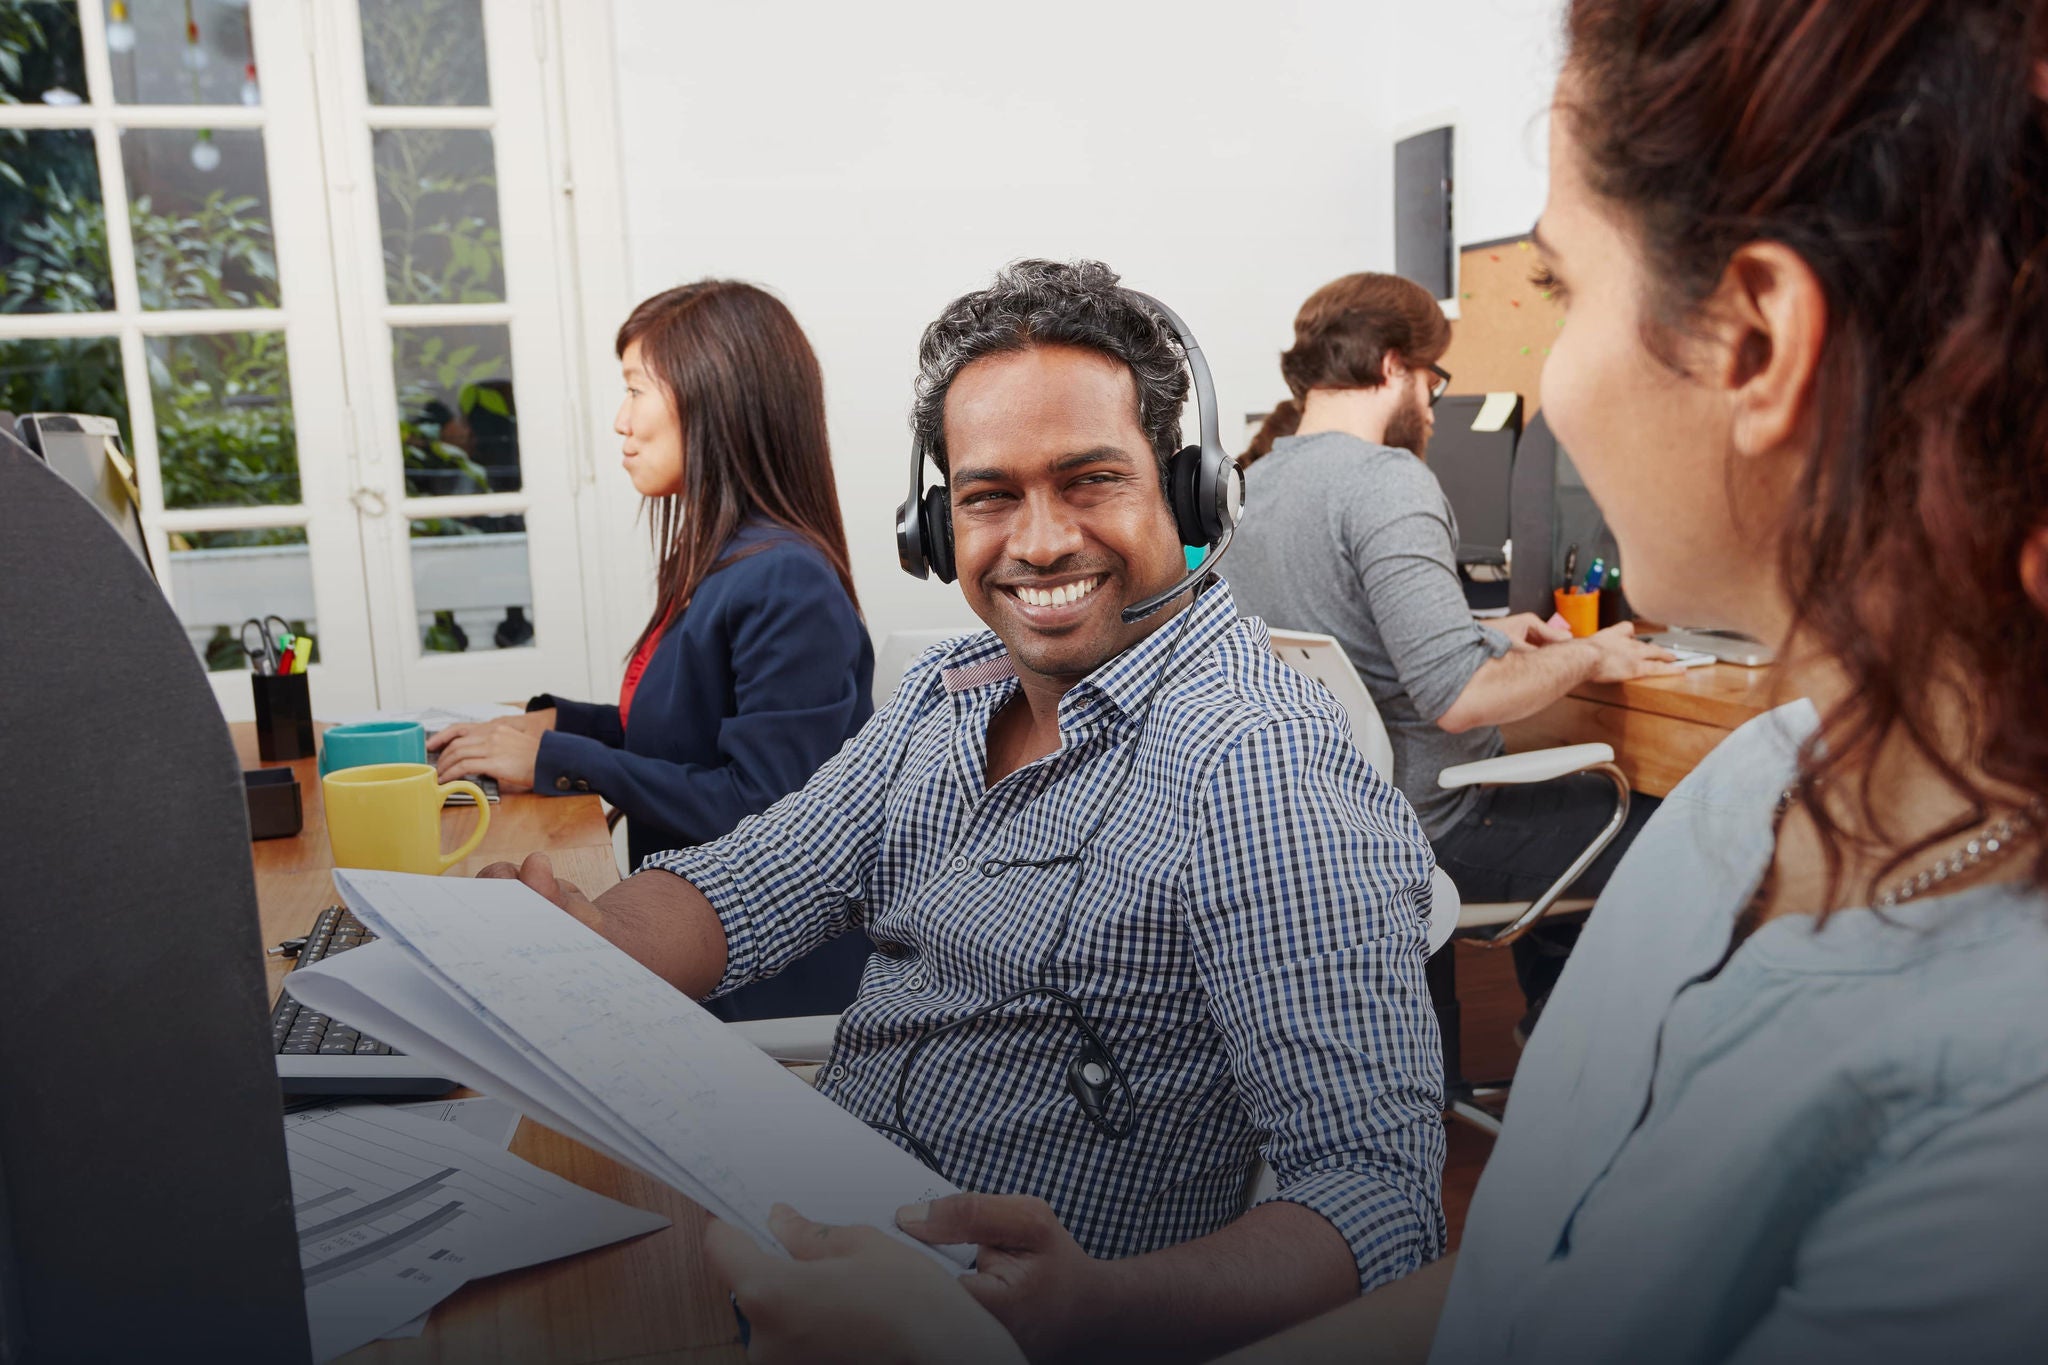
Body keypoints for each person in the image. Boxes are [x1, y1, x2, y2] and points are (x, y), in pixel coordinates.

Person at [701, 1, 2048, 1361]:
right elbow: (1515, 1290)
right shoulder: (1748, 798)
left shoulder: (1999, 1111)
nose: (1553, 380)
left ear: (1753, 344)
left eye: (1566, 293)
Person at [489, 259, 1448, 1359]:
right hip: (803, 1272)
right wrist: (584, 940)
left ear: (1187, 494)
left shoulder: (1258, 766)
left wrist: (1093, 1307)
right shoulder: (949, 700)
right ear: (936, 525)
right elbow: (744, 885)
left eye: (1090, 481)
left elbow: (1377, 1200)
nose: (1039, 542)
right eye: (991, 496)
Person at [1225, 271, 1680, 1043]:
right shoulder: (1386, 481)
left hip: (1325, 828)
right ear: (1394, 366)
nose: (1433, 406)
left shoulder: (1254, 483)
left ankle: (1545, 1037)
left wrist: (1498, 636)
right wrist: (1591, 658)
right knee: (1681, 828)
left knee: (1575, 796)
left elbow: (1354, 645)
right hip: (1438, 830)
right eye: (1433, 380)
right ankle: (1578, 1062)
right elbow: (1460, 697)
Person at [431, 281, 876, 1021]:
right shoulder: (726, 562)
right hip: (693, 939)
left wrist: (560, 759)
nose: (620, 420)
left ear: (718, 398)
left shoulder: (787, 580)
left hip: (759, 976)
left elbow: (761, 809)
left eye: (637, 389)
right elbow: (687, 735)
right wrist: (554, 725)